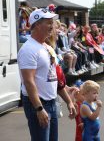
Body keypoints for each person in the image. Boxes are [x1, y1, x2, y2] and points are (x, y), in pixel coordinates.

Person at [17, 8, 76, 141]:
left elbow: (53, 78)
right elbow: (28, 82)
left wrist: (68, 100)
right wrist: (39, 108)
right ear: (37, 24)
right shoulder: (28, 49)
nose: (52, 26)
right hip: (38, 104)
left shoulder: (47, 47)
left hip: (51, 103)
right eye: (49, 22)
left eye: (52, 22)